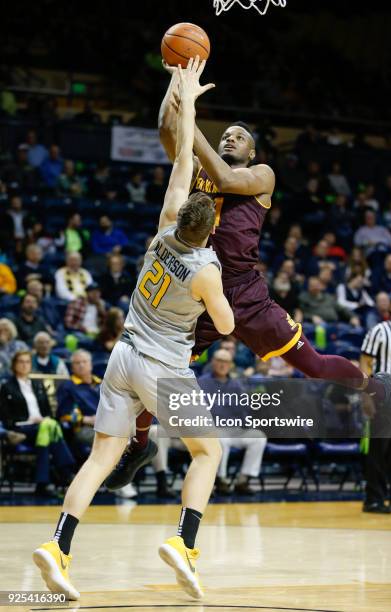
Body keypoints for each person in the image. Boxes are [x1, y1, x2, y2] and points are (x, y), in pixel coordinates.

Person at [111, 60, 391, 496]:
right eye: (225, 134)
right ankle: (138, 447)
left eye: (239, 137)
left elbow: (225, 175)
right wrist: (177, 82)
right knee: (156, 372)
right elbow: (165, 128)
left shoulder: (259, 175)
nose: (229, 138)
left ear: (253, 152)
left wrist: (191, 120)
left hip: (247, 294)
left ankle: (372, 385)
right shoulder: (197, 173)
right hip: (200, 294)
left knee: (313, 365)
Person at [34, 58, 233, 602]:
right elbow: (225, 323)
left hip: (122, 357)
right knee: (208, 452)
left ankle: (57, 547)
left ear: (181, 217)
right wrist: (220, 285)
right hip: (164, 368)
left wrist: (185, 96)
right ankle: (184, 543)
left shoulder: (162, 232)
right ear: (210, 224)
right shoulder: (204, 269)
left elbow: (183, 160)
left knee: (102, 458)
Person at [0, 350, 74, 496]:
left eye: (27, 362)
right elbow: (5, 416)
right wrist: (28, 421)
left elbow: (47, 411)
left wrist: (44, 420)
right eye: (20, 362)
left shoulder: (38, 385)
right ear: (14, 365)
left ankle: (43, 483)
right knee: (49, 427)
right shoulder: (7, 387)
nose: (24, 365)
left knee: (46, 428)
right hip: (21, 428)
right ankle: (67, 472)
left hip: (41, 426)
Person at [360, 291, 391, 513]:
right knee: (380, 447)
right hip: (385, 392)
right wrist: (366, 395)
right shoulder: (379, 331)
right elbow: (365, 363)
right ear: (390, 307)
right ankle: (374, 499)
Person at [199, 349, 267, 495]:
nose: (222, 364)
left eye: (226, 361)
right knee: (220, 439)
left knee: (258, 437)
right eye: (219, 360)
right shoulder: (202, 382)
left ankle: (243, 480)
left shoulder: (237, 384)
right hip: (214, 430)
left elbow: (245, 409)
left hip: (236, 429)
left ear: (231, 365)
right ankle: (221, 480)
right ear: (213, 362)